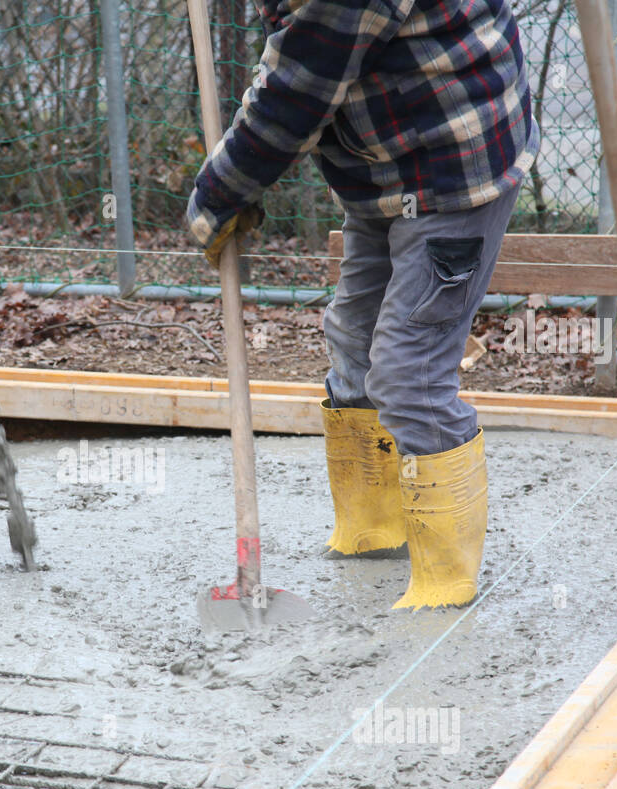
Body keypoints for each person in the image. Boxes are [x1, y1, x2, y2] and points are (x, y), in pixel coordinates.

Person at [187, 0, 539, 610]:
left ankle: (444, 584)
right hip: (382, 168)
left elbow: (298, 87)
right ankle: (373, 532)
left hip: (454, 164)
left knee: (409, 374)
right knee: (352, 337)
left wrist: (220, 191)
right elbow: (288, 61)